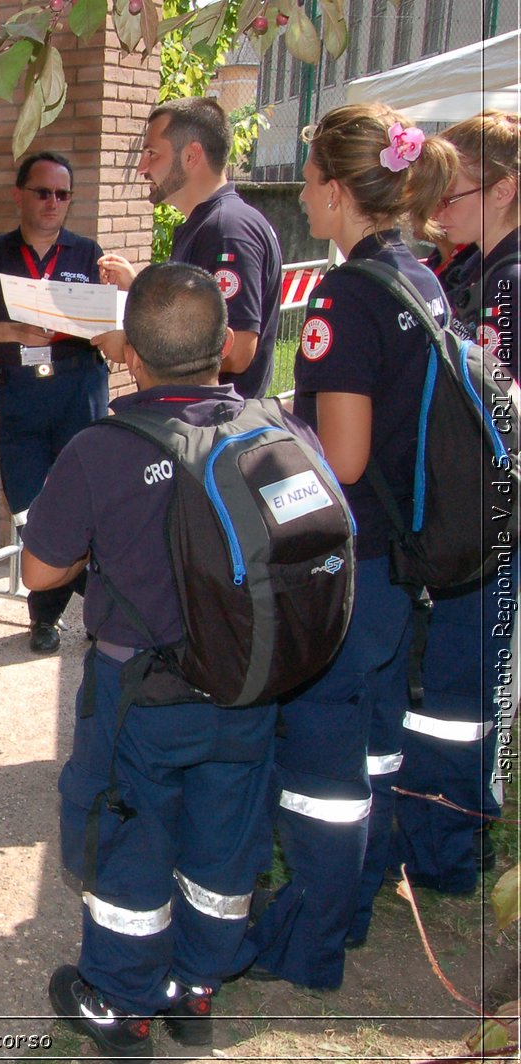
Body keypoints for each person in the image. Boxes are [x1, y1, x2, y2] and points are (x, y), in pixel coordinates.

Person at [30, 263, 284, 1061]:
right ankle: (198, 987)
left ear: (129, 355)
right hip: (248, 683)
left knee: (128, 835)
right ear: (223, 349)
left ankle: (124, 1002)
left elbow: (42, 573)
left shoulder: (100, 449)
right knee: (225, 836)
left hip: (140, 690)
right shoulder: (273, 429)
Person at [237, 102, 459, 990]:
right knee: (376, 742)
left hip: (355, 563)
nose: (306, 199)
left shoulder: (345, 293)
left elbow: (346, 456)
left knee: (322, 765)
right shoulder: (421, 275)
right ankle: (360, 895)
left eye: (311, 182)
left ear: (332, 189)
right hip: (406, 554)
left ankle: (313, 939)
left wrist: (271, 445)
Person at [393, 111, 521, 896]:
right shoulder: (473, 266)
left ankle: (461, 845)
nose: (438, 213)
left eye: (454, 195)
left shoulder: (512, 281)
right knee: (450, 690)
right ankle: (442, 832)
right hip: (461, 516)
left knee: (479, 691)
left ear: (505, 189)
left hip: (495, 522)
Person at [0, 151, 107, 653]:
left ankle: (55, 617)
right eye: (43, 192)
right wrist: (12, 330)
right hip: (22, 396)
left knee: (86, 505)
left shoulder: (87, 253)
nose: (54, 202)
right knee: (30, 510)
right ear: (19, 194)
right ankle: (103, 599)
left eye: (63, 194)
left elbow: (112, 326)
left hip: (78, 389)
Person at [97, 97, 282, 399]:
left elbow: (239, 350)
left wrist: (135, 347)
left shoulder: (226, 230)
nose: (142, 167)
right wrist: (139, 290)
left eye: (152, 154)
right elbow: (195, 319)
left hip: (210, 431)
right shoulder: (210, 224)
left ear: (191, 155)